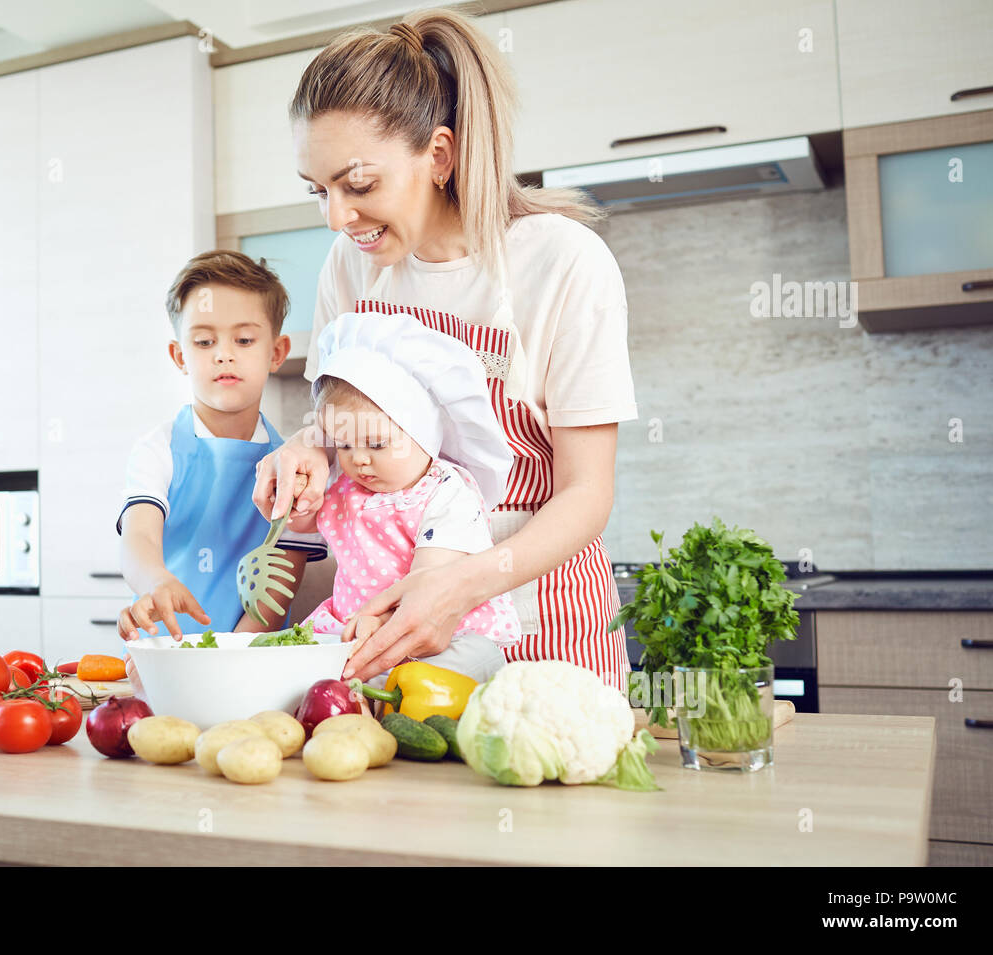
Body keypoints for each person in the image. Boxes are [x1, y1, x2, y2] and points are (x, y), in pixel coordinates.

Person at [255, 9, 637, 693]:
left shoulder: (562, 262)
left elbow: (588, 492)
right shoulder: (349, 267)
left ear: (439, 154)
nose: (337, 218)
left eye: (359, 185)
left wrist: (461, 585)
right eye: (319, 191)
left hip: (539, 623)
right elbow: (337, 416)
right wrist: (311, 444)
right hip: (390, 635)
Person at [294, 312, 519, 683]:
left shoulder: (447, 492)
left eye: (377, 444)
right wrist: (297, 502)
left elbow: (430, 577)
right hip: (356, 632)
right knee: (302, 672)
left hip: (442, 635)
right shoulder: (346, 491)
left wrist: (382, 623)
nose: (358, 458)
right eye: (344, 444)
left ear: (425, 435)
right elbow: (306, 526)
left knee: (451, 667)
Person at [116, 251, 326, 647]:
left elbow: (280, 588)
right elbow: (138, 537)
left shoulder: (295, 469)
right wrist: (156, 579)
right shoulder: (158, 449)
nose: (223, 353)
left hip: (247, 656)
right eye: (204, 341)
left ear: (276, 352)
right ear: (180, 356)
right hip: (161, 654)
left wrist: (227, 656)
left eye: (244, 339)